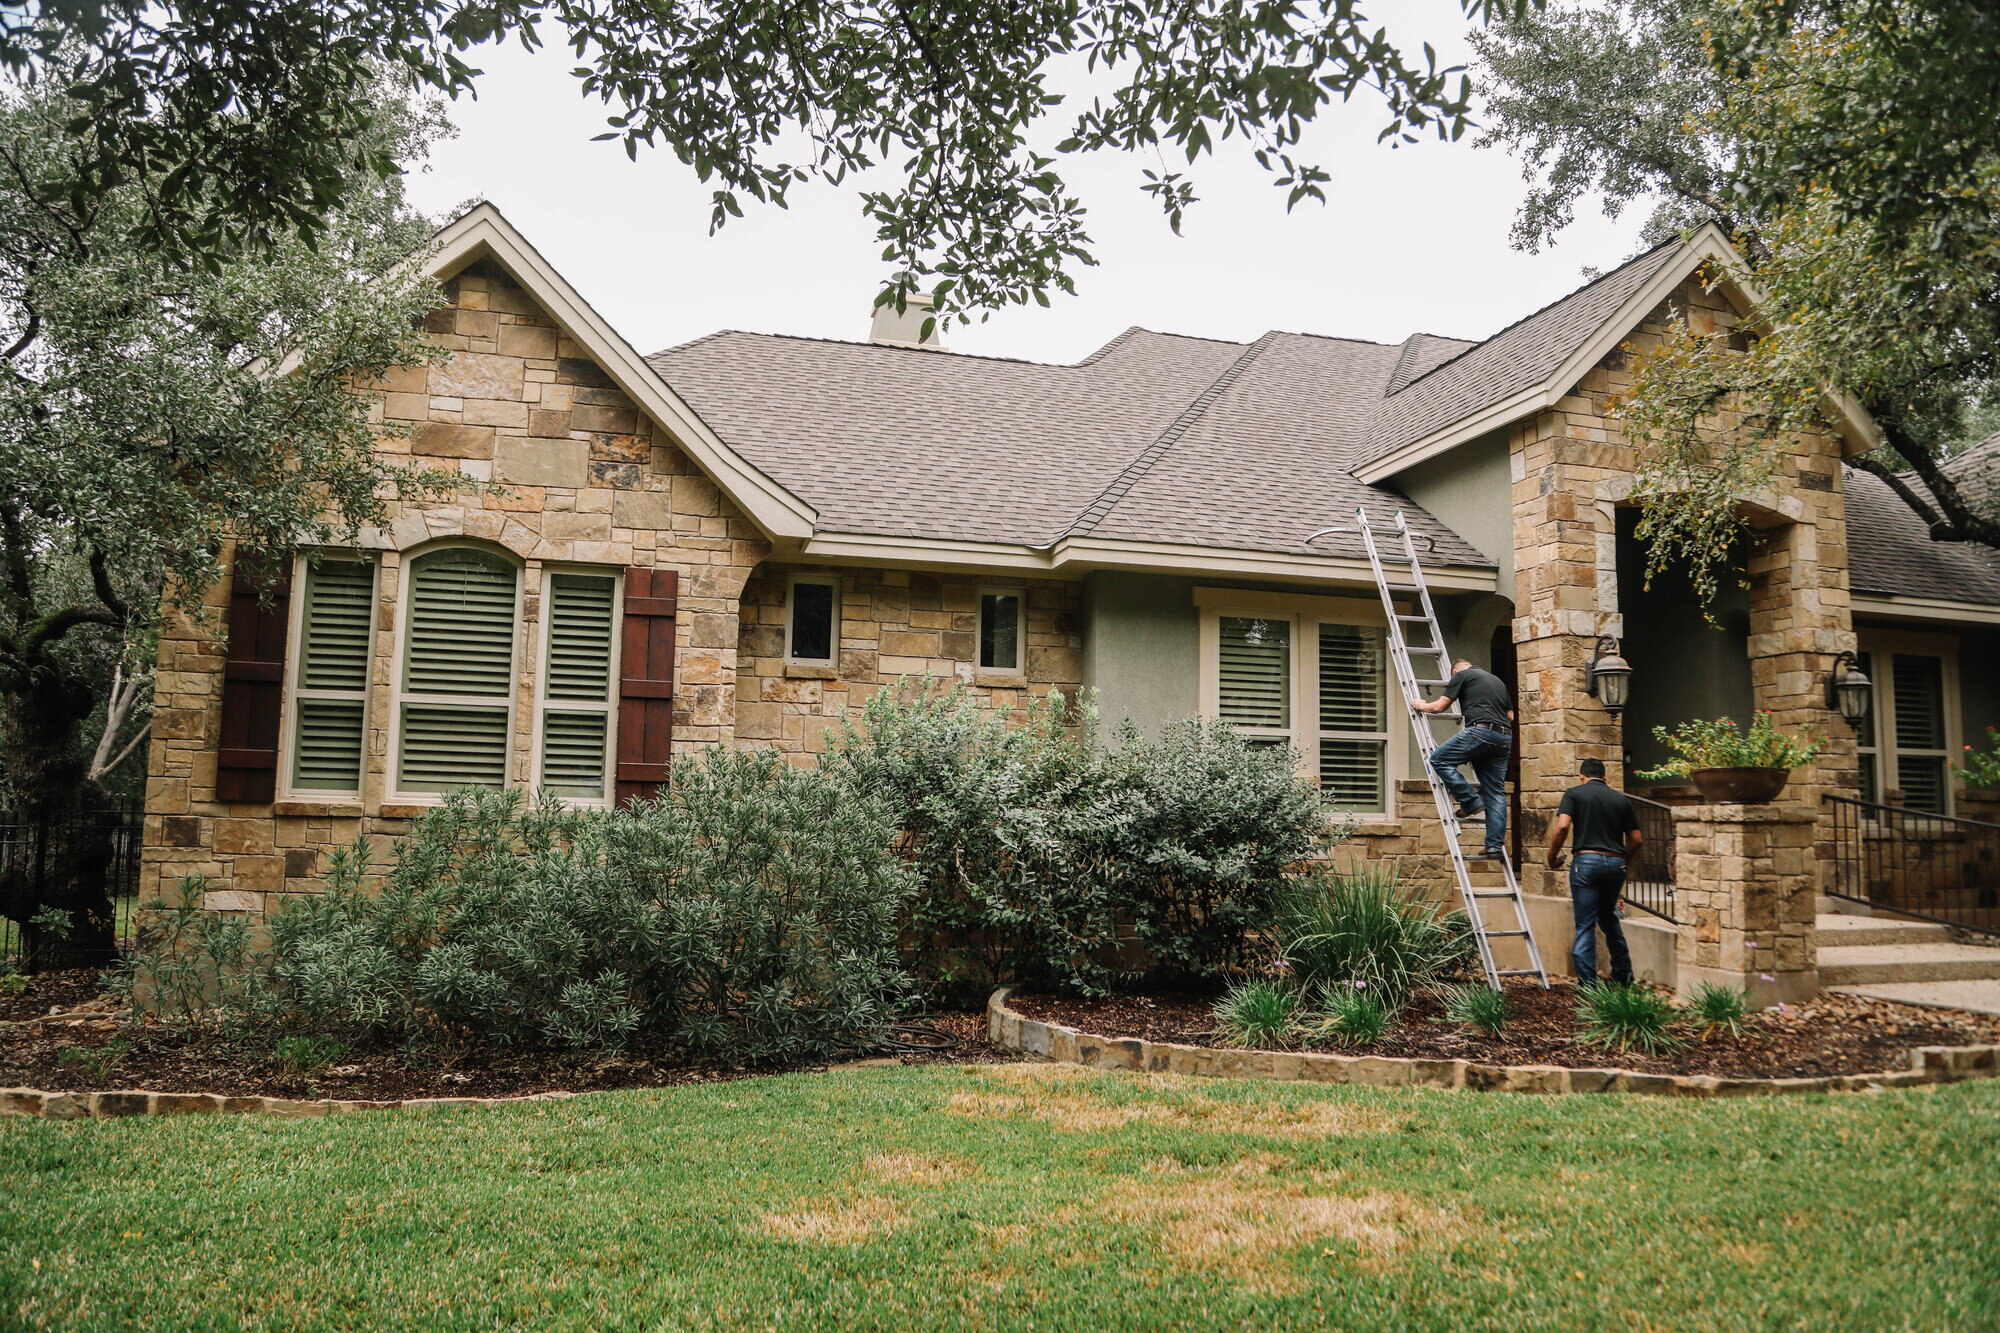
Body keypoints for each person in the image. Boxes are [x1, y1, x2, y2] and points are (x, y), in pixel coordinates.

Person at [1545, 757, 1644, 987]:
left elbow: (1562, 827)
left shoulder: (1574, 794)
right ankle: (1623, 975)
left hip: (1586, 864)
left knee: (1585, 924)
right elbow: (1637, 840)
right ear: (1605, 777)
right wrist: (1622, 862)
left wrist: (1552, 856)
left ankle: (1589, 985)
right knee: (1609, 918)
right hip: (1616, 863)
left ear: (1582, 776)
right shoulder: (1621, 799)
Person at [1411, 657, 1513, 858]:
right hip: (1505, 737)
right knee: (1495, 792)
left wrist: (1420, 704)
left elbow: (1440, 707)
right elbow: (1510, 716)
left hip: (1481, 732)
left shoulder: (1462, 676)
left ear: (1455, 673)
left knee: (1439, 759)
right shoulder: (1497, 681)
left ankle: (1470, 801)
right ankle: (1494, 847)